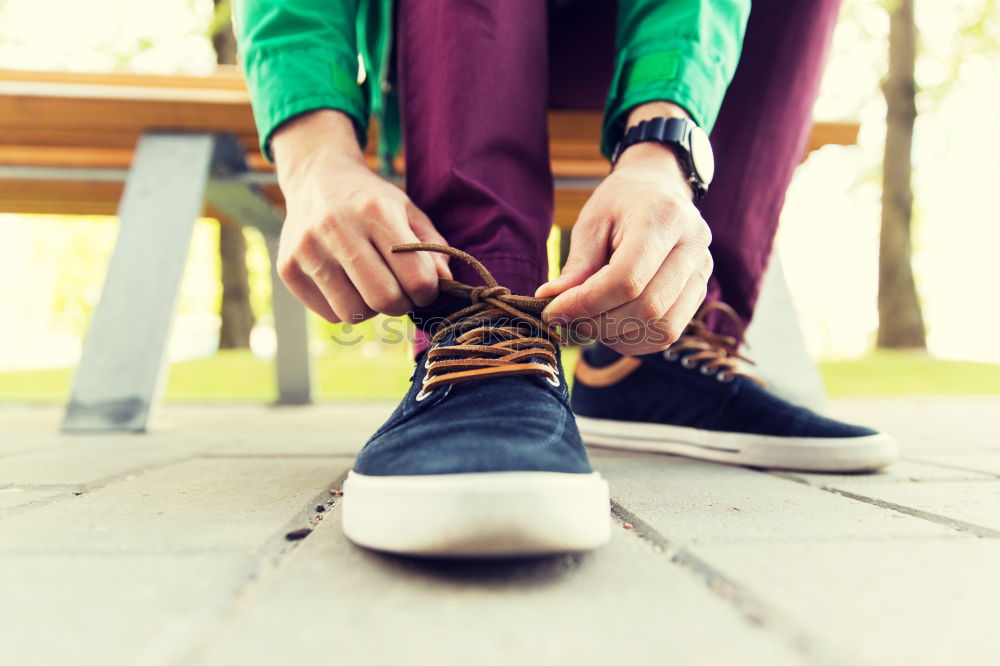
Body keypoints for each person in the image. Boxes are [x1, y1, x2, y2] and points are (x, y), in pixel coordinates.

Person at [234, 0, 897, 558]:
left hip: (619, 40)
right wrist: (315, 158)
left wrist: (659, 153)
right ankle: (484, 333)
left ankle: (657, 350)